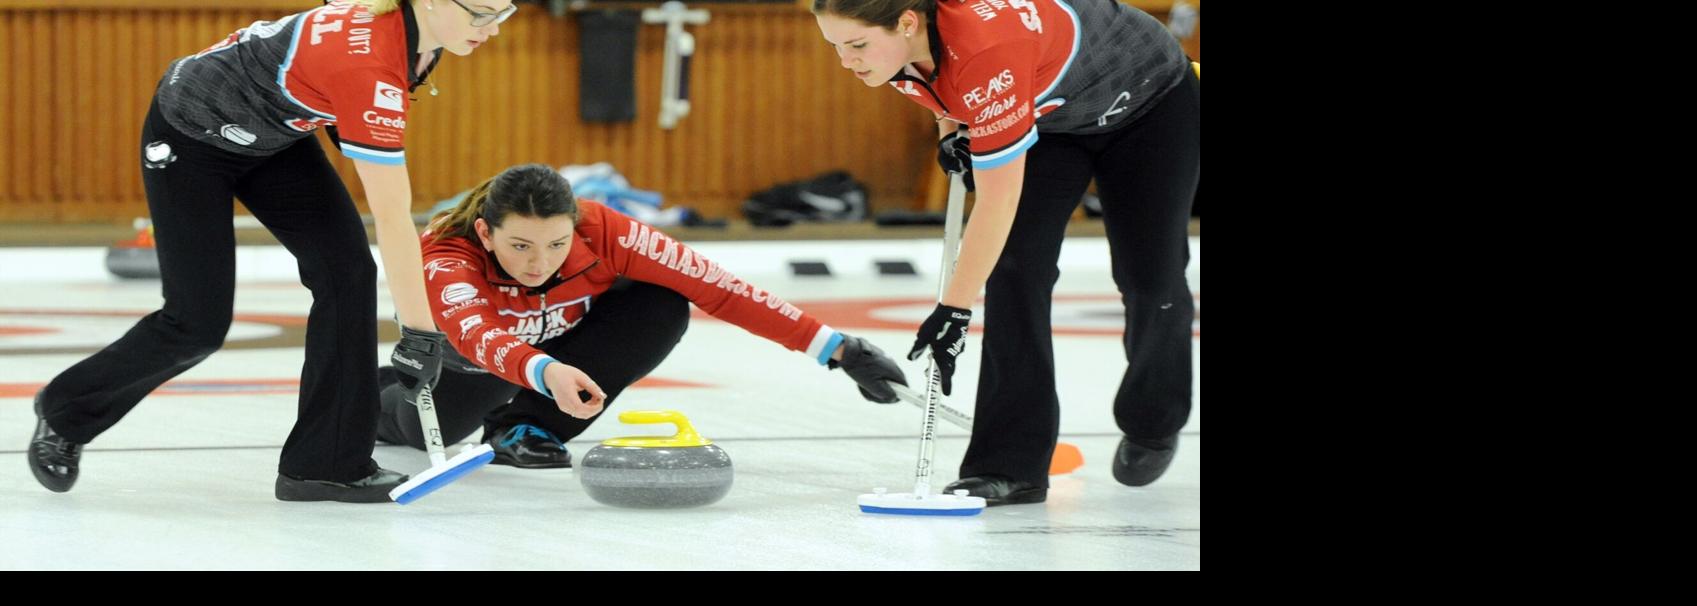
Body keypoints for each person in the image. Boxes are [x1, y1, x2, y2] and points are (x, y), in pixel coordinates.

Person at [28, 0, 518, 503]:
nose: (493, 30)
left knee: (346, 272)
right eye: (482, 13)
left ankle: (324, 465)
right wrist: (419, 334)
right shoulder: (371, 64)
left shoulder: (420, 39)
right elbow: (392, 218)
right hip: (192, 134)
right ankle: (65, 409)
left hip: (276, 135)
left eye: (505, 13)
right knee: (195, 323)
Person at [809, 0, 1199, 505]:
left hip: (1149, 102)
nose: (847, 61)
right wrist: (953, 132)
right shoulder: (893, 54)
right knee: (1015, 269)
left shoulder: (986, 48)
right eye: (835, 47)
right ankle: (1010, 465)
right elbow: (944, 86)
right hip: (1050, 115)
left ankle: (1153, 420)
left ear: (908, 23)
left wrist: (952, 310)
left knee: (1150, 272)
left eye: (856, 45)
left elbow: (998, 200)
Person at [376, 163, 908, 465]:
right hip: (475, 360)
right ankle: (373, 391)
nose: (538, 264)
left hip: (558, 352)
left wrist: (838, 349)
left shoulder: (606, 231)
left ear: (575, 225)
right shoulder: (447, 252)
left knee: (662, 302)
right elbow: (477, 334)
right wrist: (543, 370)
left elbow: (721, 289)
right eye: (519, 247)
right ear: (487, 233)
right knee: (430, 433)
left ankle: (525, 429)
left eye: (556, 244)